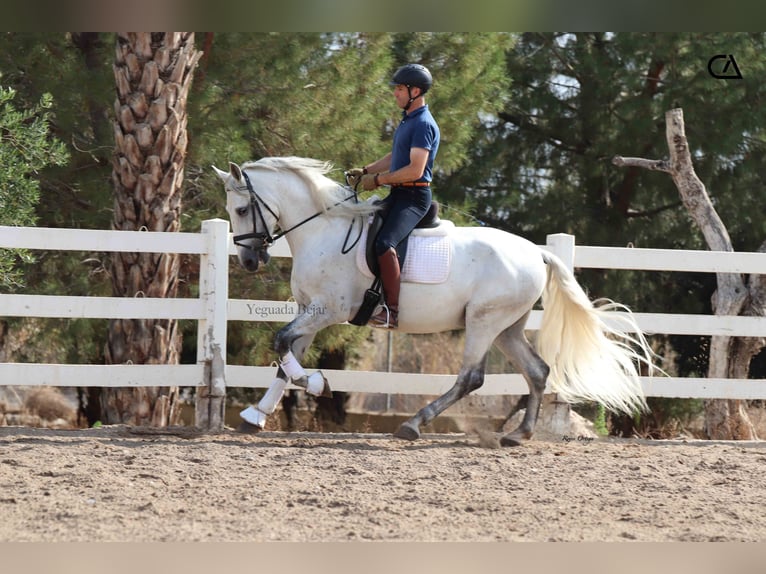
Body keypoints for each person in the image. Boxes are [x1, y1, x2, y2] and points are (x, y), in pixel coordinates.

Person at [347, 63, 440, 329]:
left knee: (385, 243)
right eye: (396, 88)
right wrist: (365, 170)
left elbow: (414, 169)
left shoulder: (423, 124)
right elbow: (394, 157)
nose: (395, 93)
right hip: (398, 194)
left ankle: (392, 311)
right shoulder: (408, 120)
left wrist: (377, 180)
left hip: (413, 199)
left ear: (415, 91)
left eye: (400, 88)